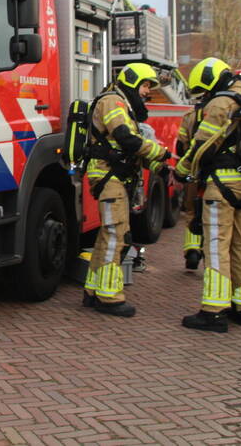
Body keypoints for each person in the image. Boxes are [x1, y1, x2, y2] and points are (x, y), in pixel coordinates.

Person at [174, 57, 241, 333]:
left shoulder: (221, 103)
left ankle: (213, 311)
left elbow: (202, 144)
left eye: (204, 90)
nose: (204, 97)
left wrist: (182, 169)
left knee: (216, 246)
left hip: (221, 186)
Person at [82, 63, 171, 317]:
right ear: (132, 81)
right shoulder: (113, 101)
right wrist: (160, 153)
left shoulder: (122, 103)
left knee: (107, 236)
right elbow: (126, 139)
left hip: (114, 176)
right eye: (145, 85)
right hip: (109, 176)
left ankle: (93, 291)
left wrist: (160, 167)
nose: (147, 91)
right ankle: (109, 297)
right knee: (115, 235)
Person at [175, 94, 206, 270]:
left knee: (192, 211)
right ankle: (210, 252)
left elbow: (181, 145)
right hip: (223, 175)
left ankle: (192, 250)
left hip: (195, 171)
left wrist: (183, 168)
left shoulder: (190, 115)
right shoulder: (232, 111)